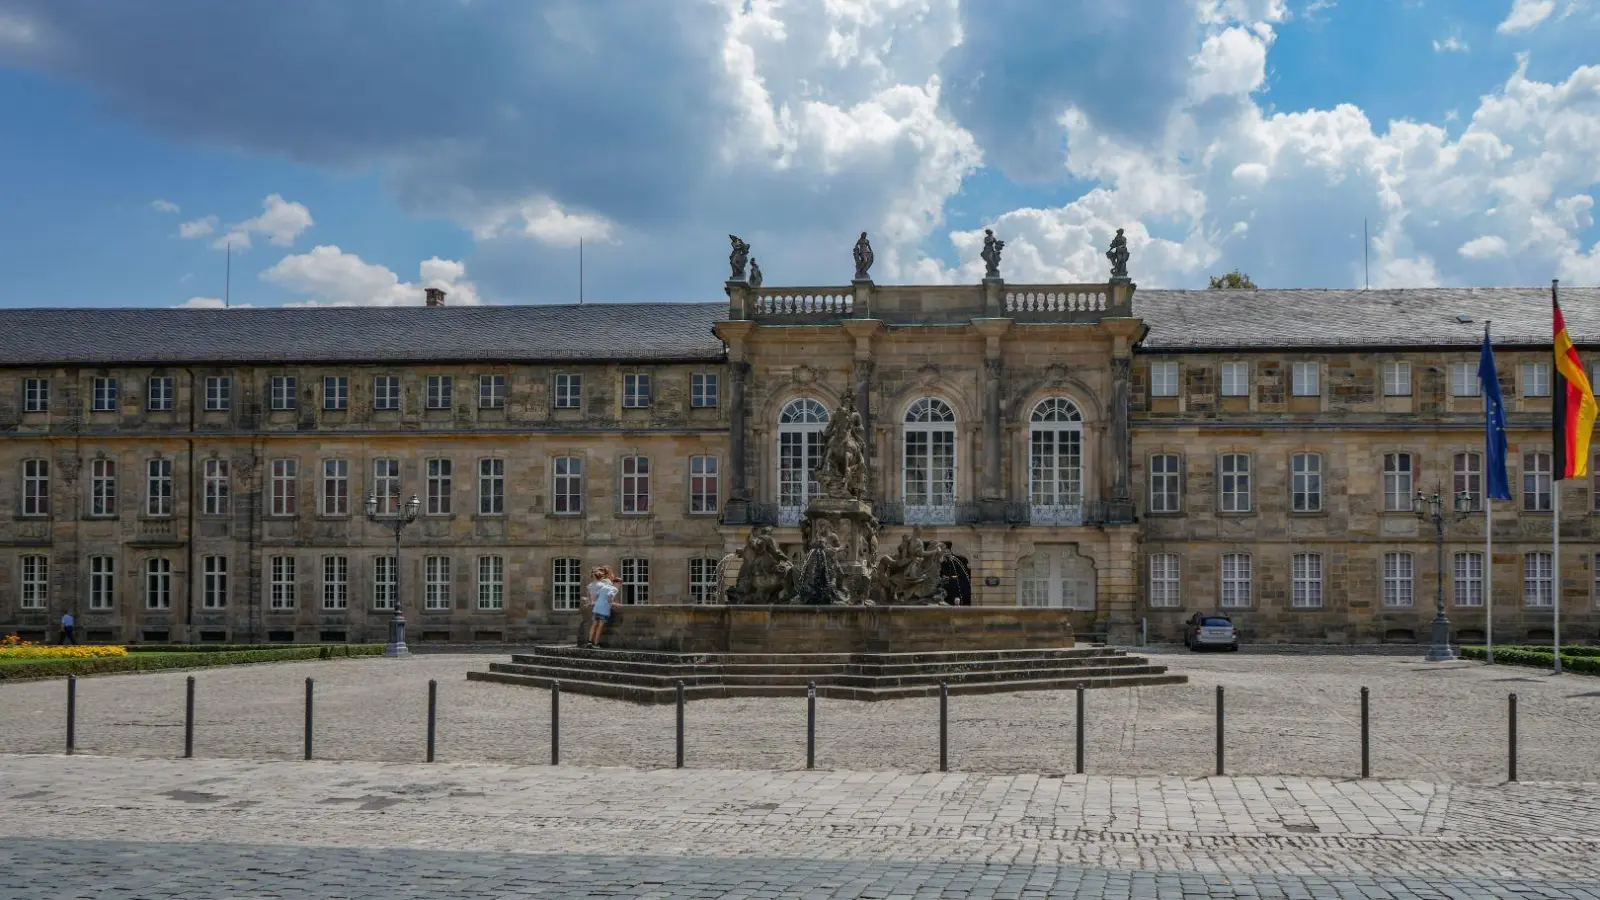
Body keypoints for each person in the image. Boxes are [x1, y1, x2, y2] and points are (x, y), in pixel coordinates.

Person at [586, 566, 617, 649]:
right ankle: (596, 644)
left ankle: (589, 642)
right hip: (603, 608)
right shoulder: (606, 584)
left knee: (594, 625)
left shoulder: (591, 584)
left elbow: (592, 596)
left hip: (596, 607)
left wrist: (590, 602)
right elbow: (607, 595)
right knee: (600, 626)